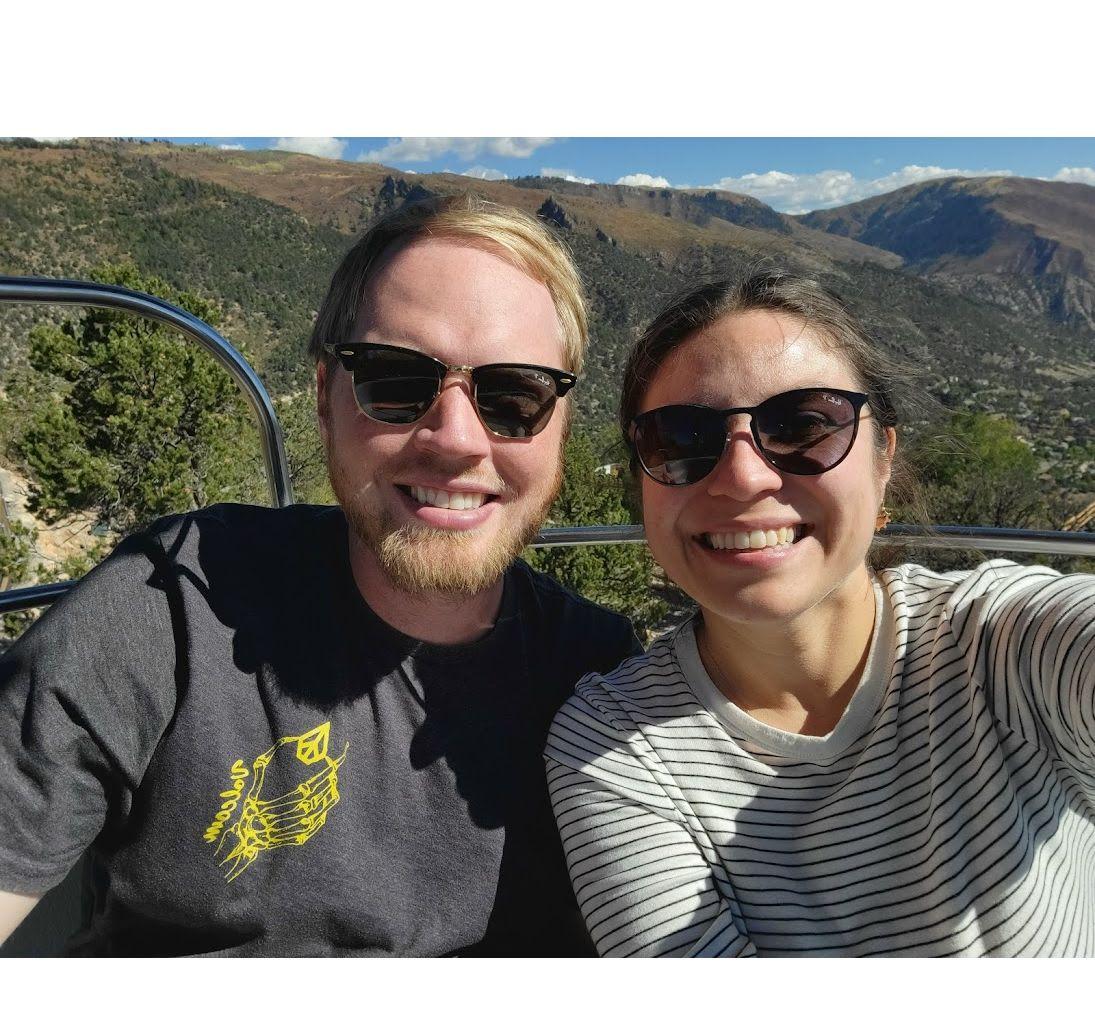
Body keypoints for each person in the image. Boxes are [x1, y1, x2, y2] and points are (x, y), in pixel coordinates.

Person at [0, 194, 640, 956]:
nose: (457, 438)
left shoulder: (602, 679)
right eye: (397, 381)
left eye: (514, 397)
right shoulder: (175, 605)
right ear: (324, 399)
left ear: (561, 427)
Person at [545, 270, 1095, 957]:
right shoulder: (615, 749)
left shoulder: (998, 642)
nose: (744, 476)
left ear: (882, 457)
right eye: (680, 439)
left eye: (804, 423)